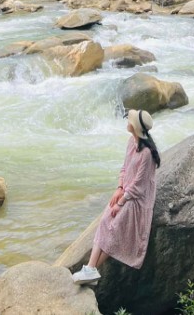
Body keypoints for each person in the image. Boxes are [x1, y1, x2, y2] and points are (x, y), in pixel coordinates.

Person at [72, 109, 161, 285]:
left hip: (138, 200)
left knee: (113, 228)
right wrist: (119, 188)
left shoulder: (147, 154)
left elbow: (139, 186)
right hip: (126, 192)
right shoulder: (131, 142)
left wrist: (120, 202)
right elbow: (124, 168)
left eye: (130, 120)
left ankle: (90, 270)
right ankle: (90, 270)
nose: (127, 121)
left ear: (135, 127)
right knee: (105, 221)